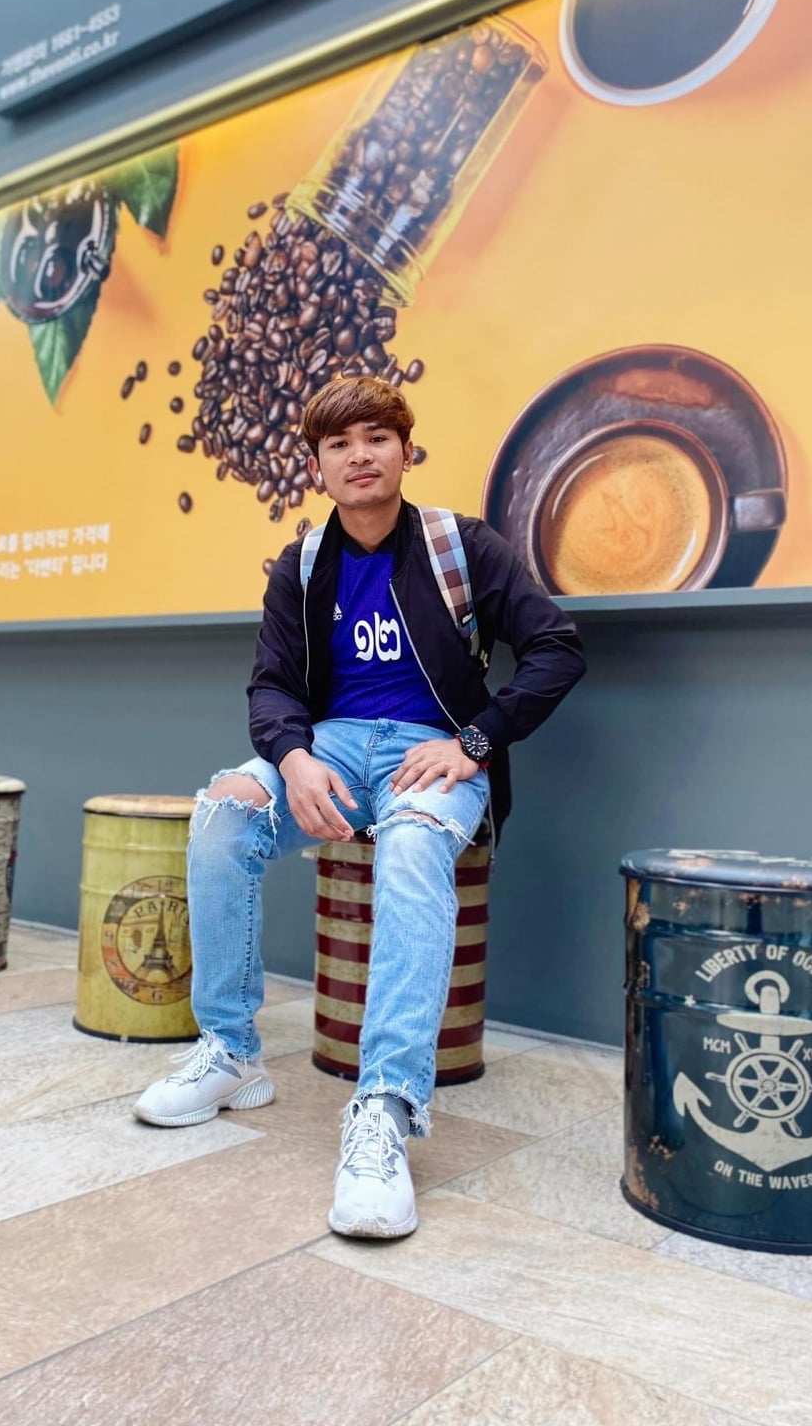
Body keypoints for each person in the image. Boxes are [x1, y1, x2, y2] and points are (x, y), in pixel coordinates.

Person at [134, 376, 586, 1238]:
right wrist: (293, 758)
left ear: (405, 451)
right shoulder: (302, 564)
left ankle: (383, 1109)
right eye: (339, 444)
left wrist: (476, 741)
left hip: (428, 751)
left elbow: (557, 649)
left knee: (412, 851)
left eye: (377, 437)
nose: (360, 456)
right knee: (223, 811)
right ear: (318, 465)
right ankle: (230, 1053)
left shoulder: (459, 545)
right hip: (331, 749)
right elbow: (271, 684)